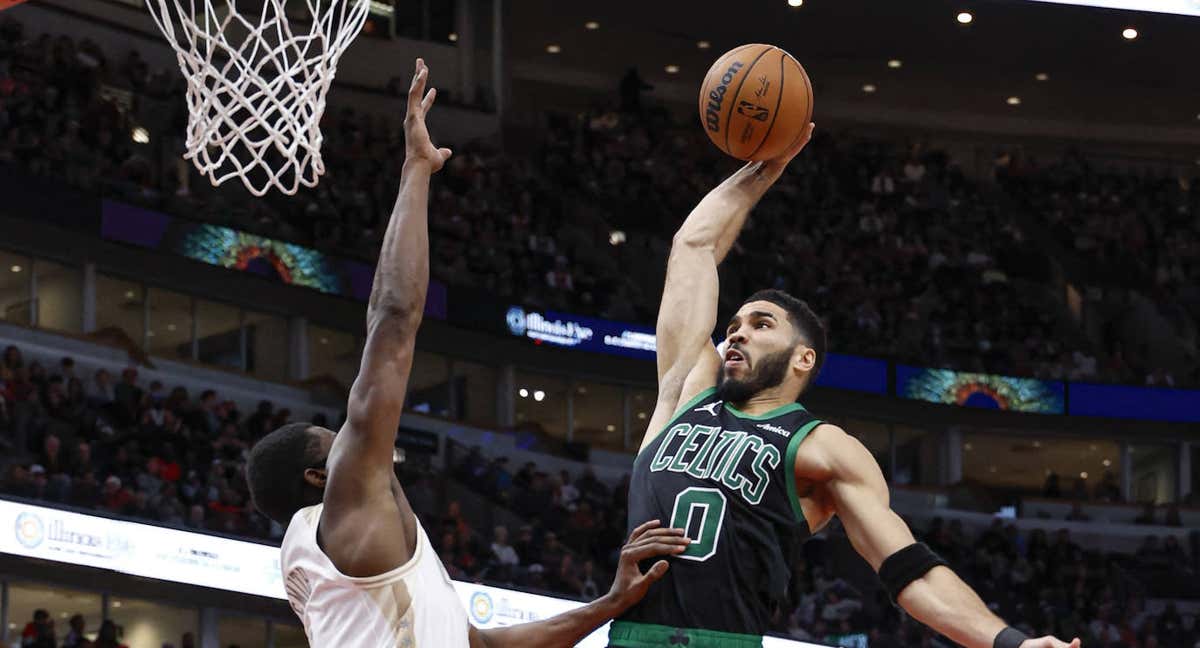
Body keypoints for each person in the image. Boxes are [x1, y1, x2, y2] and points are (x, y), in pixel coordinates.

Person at [246, 59, 688, 648]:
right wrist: (416, 171)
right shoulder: (349, 502)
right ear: (319, 476)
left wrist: (608, 605)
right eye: (336, 439)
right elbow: (393, 321)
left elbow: (481, 646)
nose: (353, 438)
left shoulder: (339, 564)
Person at [610, 123, 1081, 648]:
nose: (738, 332)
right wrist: (766, 167)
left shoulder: (822, 446)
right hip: (630, 636)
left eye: (761, 324)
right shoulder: (685, 392)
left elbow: (907, 568)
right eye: (734, 325)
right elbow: (693, 246)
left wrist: (1008, 641)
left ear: (803, 358)